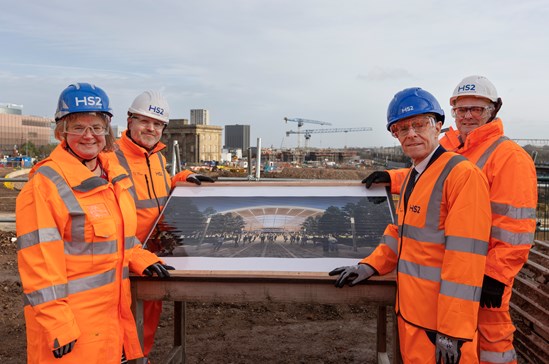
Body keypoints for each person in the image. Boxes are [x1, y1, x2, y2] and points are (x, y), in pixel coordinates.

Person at [364, 76, 538, 363]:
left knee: (492, 343)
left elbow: (516, 229)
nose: (467, 116)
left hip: (485, 269)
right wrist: (392, 178)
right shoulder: (455, 144)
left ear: (493, 111)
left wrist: (496, 275)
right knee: (462, 346)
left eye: (476, 109)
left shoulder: (510, 157)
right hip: (453, 273)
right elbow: (428, 173)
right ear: (451, 113)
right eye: (461, 110)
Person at [330, 87, 492, 363]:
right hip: (412, 316)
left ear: (438, 126)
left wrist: (451, 330)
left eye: (419, 124)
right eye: (401, 128)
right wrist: (370, 265)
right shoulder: (415, 176)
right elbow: (400, 234)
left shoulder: (462, 176)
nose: (411, 133)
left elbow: (466, 260)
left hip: (441, 330)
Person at [16, 83, 172, 363]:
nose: (89, 136)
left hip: (111, 316)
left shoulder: (112, 174)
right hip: (72, 326)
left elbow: (118, 234)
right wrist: (58, 323)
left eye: (96, 127)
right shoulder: (46, 184)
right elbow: (38, 265)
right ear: (62, 131)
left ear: (106, 130)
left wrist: (138, 256)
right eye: (78, 127)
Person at [108, 90, 214, 360]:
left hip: (153, 257)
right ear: (129, 120)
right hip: (124, 262)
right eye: (144, 121)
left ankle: (140, 357)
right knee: (120, 331)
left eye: (157, 124)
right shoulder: (111, 159)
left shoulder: (156, 158)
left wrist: (183, 178)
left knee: (146, 324)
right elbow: (109, 220)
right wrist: (133, 255)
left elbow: (159, 191)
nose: (150, 128)